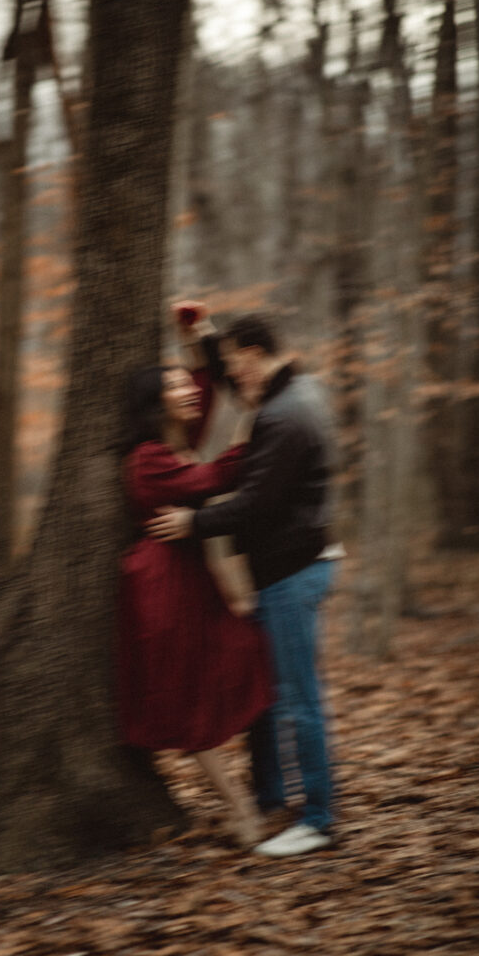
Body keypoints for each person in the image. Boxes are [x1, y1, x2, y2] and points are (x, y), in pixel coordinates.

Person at [149, 313, 339, 858]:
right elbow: (237, 387)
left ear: (256, 354)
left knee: (298, 700)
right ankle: (271, 800)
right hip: (290, 566)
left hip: (293, 572)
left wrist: (193, 523)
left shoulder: (283, 417)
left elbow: (257, 502)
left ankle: (320, 820)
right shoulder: (294, 389)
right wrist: (203, 336)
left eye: (236, 362)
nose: (234, 376)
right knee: (261, 691)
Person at [118, 358, 273, 849]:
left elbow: (198, 404)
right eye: (174, 385)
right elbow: (206, 481)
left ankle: (252, 801)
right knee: (190, 697)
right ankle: (242, 811)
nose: (187, 390)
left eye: (186, 382)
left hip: (189, 580)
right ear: (154, 401)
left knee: (246, 658)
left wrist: (195, 345)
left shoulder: (173, 441)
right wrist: (255, 438)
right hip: (162, 590)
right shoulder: (149, 458)